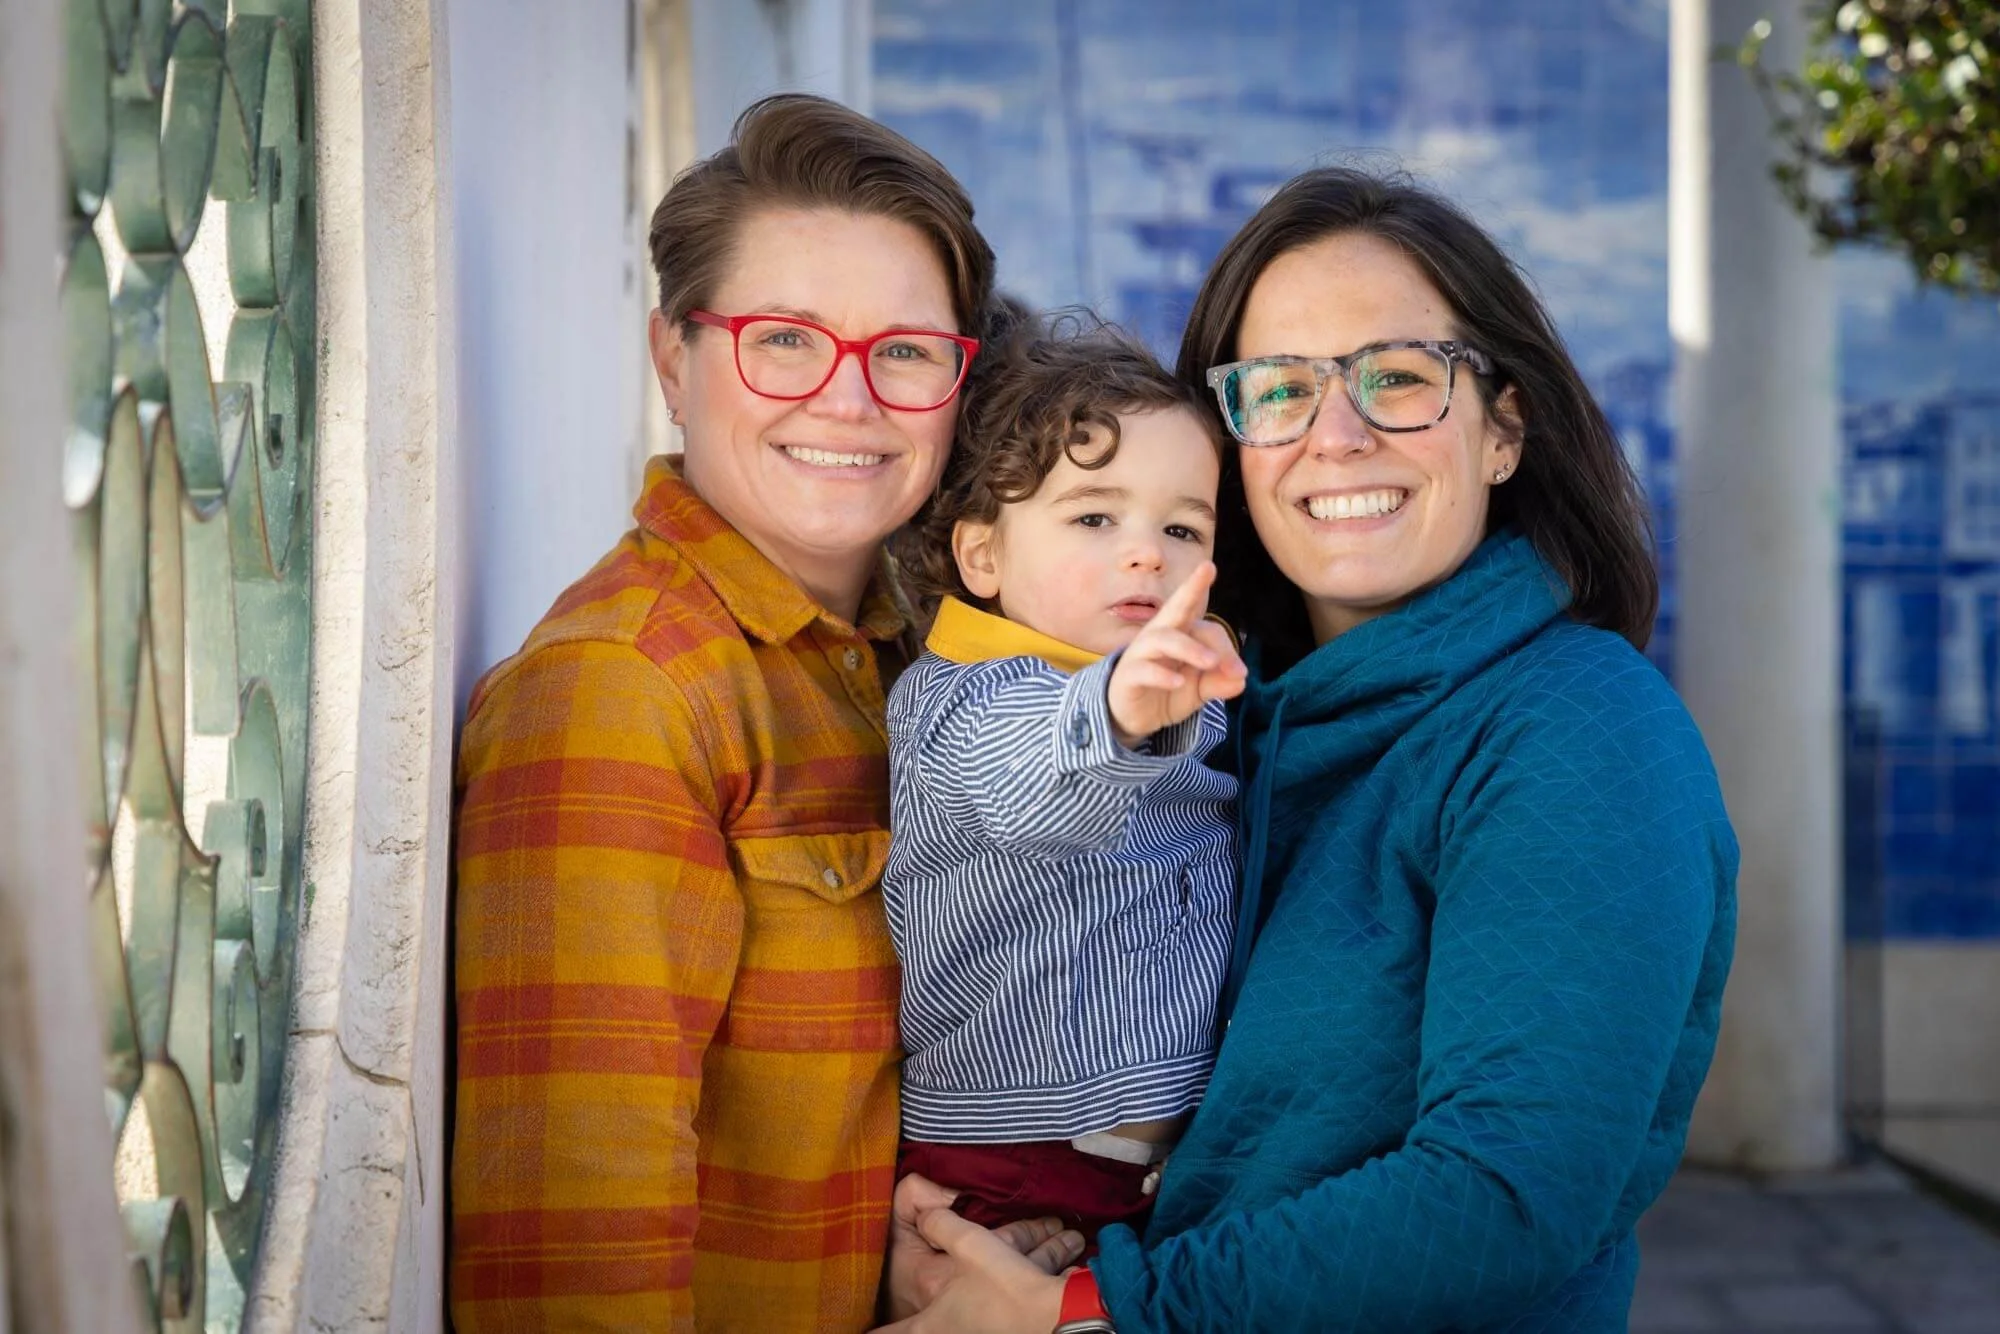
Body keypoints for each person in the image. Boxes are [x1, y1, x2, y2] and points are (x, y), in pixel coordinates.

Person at [879, 167, 1739, 1333]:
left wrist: (1083, 1306)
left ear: (1501, 430)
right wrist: (976, 1236)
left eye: (1395, 378)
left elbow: (1506, 1194)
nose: (1333, 437)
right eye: (1277, 389)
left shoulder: (1575, 730)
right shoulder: (1241, 717)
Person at [450, 94, 1075, 1333]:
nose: (850, 400)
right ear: (673, 361)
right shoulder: (623, 691)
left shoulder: (930, 661)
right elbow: (573, 1278)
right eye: (783, 340)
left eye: (904, 350)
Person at [883, 325, 1245, 1251]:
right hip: (1013, 1153)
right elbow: (1034, 781)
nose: (1146, 555)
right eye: (1094, 517)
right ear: (984, 559)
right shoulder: (968, 696)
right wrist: (1120, 708)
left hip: (1136, 1156)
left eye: (1182, 527)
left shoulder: (1173, 682)